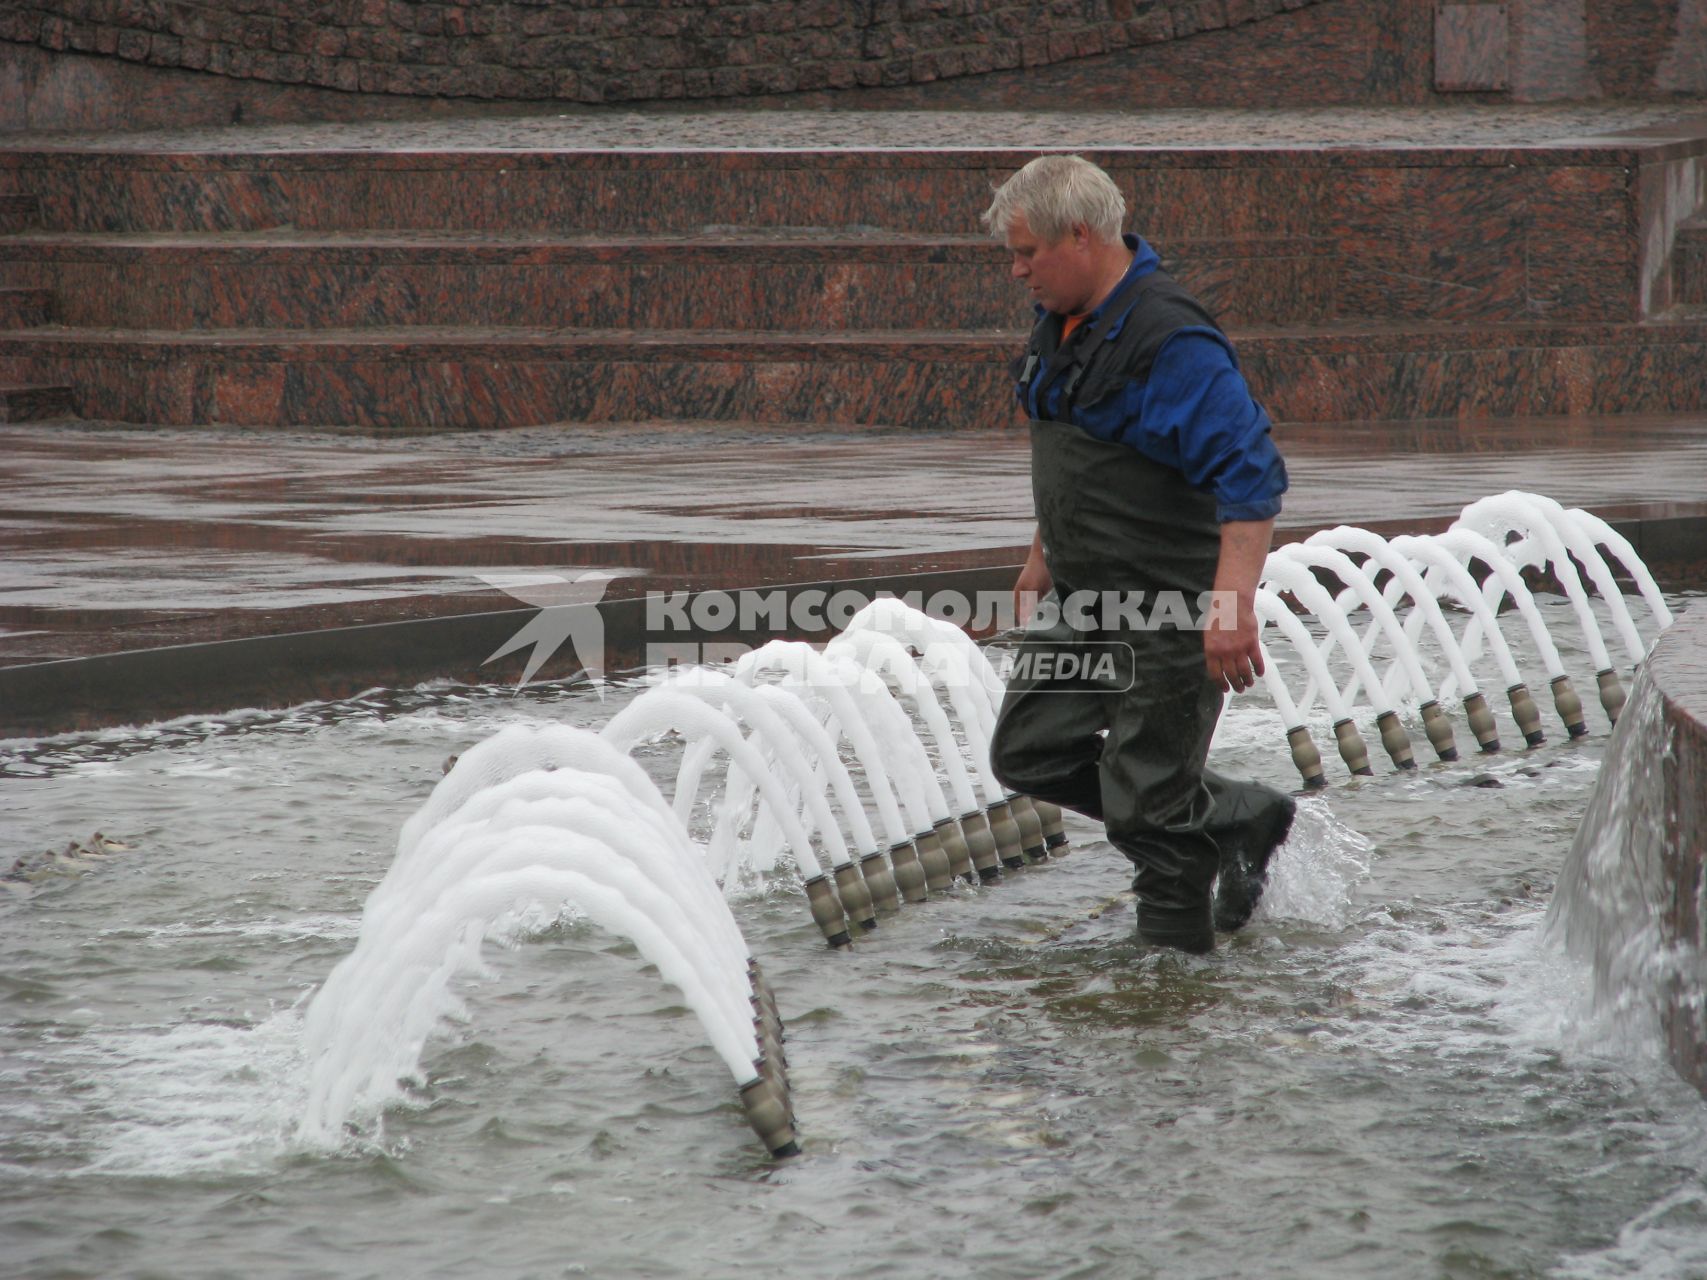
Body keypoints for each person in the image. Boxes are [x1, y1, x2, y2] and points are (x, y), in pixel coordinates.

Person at [983, 154, 1297, 955]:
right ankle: (1236, 815)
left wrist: (1229, 609)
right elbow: (1073, 452)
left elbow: (1250, 474)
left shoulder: (1169, 338)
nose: (1016, 270)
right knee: (1028, 748)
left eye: (1027, 253)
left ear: (1080, 237)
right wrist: (1041, 556)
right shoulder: (1059, 320)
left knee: (1149, 817)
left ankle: (1166, 1007)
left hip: (1167, 611)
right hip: (1085, 600)